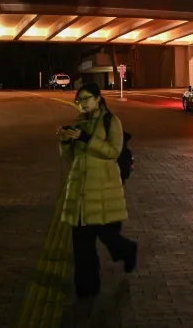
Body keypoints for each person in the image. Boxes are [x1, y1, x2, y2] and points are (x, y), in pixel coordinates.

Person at [57, 83, 138, 298]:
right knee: (82, 244)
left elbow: (113, 151)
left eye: (86, 98)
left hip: (102, 188)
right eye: (79, 100)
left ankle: (128, 251)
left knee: (107, 236)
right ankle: (86, 288)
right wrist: (65, 142)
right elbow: (70, 158)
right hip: (80, 191)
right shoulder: (79, 122)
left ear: (98, 98)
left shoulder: (112, 122)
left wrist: (86, 139)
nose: (82, 103)